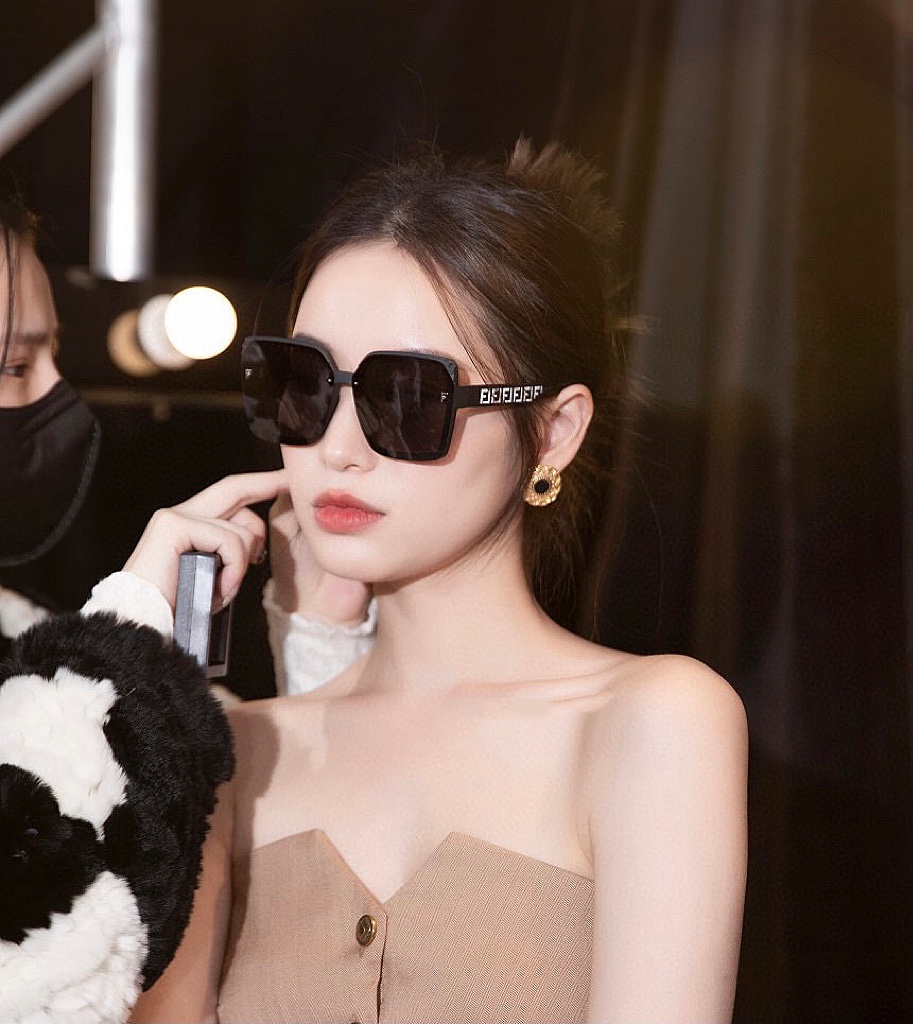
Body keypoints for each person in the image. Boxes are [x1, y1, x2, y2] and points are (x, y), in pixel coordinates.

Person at [101, 139, 747, 1023]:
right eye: (304, 384)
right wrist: (132, 666)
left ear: (552, 432)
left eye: (408, 396)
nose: (336, 448)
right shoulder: (229, 756)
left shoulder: (651, 721)